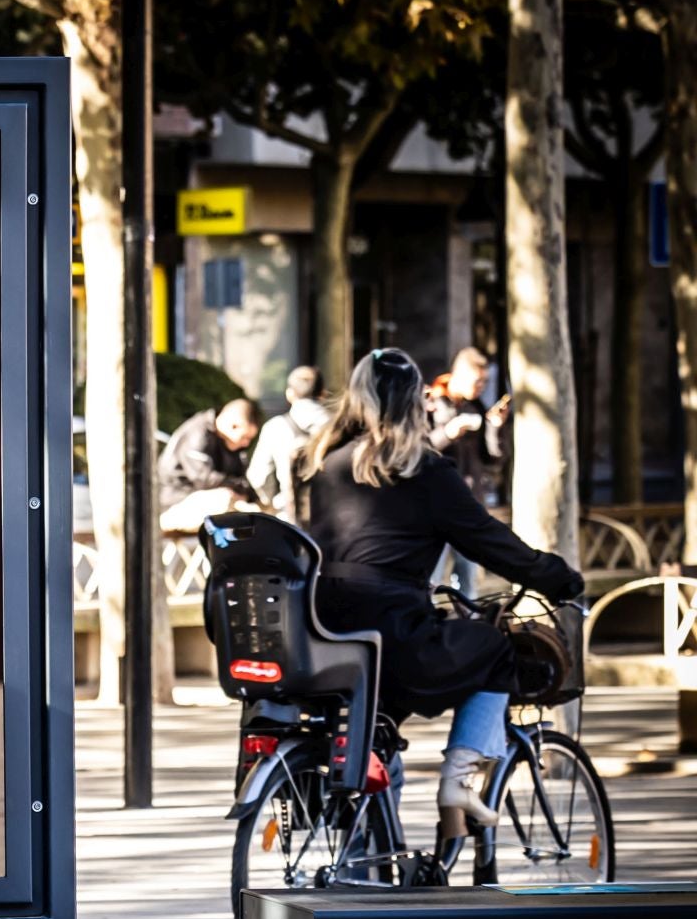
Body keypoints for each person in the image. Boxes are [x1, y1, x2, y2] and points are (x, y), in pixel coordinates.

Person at [300, 349, 582, 839]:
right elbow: (494, 546)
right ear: (418, 403)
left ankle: (369, 858)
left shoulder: (326, 464)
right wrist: (559, 578)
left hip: (325, 630)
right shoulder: (424, 470)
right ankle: (456, 784)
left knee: (378, 733)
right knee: (494, 648)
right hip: (394, 633)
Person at [427, 346, 509, 595]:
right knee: (431, 577)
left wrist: (495, 427)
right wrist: (448, 433)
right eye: (477, 380)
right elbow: (419, 450)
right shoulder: (430, 402)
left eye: (485, 381)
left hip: (470, 502)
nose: (482, 386)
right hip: (436, 504)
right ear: (458, 375)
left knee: (468, 579)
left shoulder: (475, 407)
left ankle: (468, 625)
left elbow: (493, 459)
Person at [159, 398, 262, 533]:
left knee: (258, 511)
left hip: (197, 500)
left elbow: (239, 478)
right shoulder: (197, 434)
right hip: (172, 504)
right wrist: (238, 489)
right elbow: (204, 479)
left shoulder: (229, 442)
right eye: (245, 437)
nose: (246, 444)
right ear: (233, 426)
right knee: (224, 500)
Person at [245, 366, 328, 522]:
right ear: (323, 393)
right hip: (333, 517)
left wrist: (274, 501)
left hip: (289, 518)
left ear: (289, 394)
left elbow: (258, 476)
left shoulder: (275, 427)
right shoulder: (338, 427)